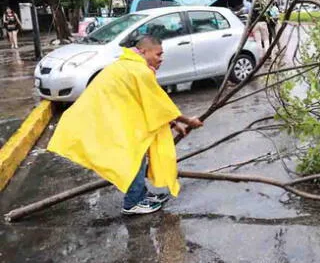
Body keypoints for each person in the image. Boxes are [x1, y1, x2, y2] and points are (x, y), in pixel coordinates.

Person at [48, 36, 203, 215]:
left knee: (135, 154)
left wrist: (174, 124)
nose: (161, 58)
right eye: (158, 54)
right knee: (132, 157)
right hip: (100, 119)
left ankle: (141, 195)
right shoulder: (139, 70)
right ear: (144, 51)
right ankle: (133, 202)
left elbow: (150, 103)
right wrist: (188, 121)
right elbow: (160, 104)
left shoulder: (127, 64)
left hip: (104, 117)